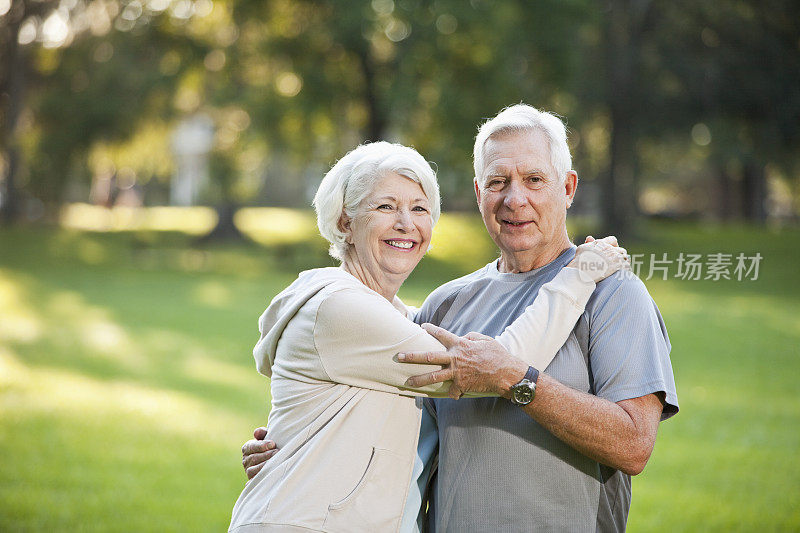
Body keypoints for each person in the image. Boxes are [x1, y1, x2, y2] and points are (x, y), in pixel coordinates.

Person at [243, 105, 679, 532]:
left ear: (567, 188)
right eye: (498, 181)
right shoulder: (444, 305)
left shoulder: (612, 294)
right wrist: (294, 441)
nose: (514, 198)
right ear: (478, 193)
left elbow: (635, 446)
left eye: (533, 179)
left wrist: (520, 381)